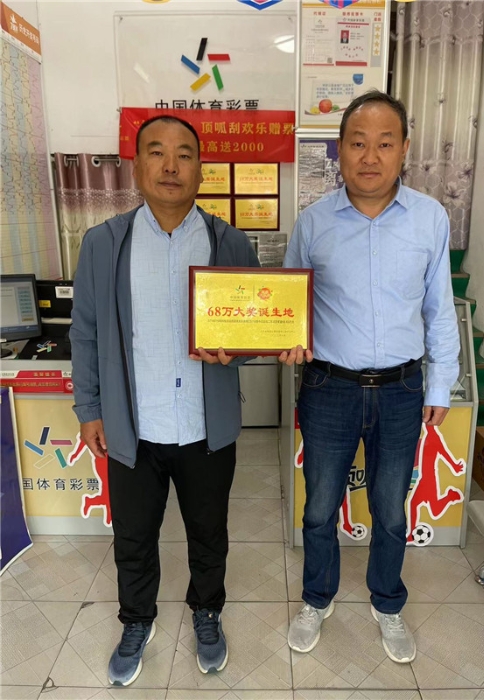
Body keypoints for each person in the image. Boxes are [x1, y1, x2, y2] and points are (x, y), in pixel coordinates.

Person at [70, 115, 259, 686]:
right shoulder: (103, 244)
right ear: (137, 166)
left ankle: (207, 612)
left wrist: (238, 351)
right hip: (133, 428)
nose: (171, 166)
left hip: (206, 427)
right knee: (133, 537)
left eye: (184, 154)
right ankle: (137, 620)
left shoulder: (231, 243)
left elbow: (251, 334)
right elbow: (85, 333)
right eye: (157, 152)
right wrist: (90, 409)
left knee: (209, 532)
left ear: (201, 169)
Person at [281, 90, 460, 663]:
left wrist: (441, 383)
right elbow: (288, 303)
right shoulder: (313, 223)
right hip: (328, 387)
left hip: (403, 390)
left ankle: (387, 603)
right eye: (357, 143)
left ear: (404, 148)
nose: (370, 156)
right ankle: (317, 598)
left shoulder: (430, 219)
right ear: (339, 149)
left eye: (384, 143)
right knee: (318, 507)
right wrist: (285, 336)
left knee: (389, 508)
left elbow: (439, 309)